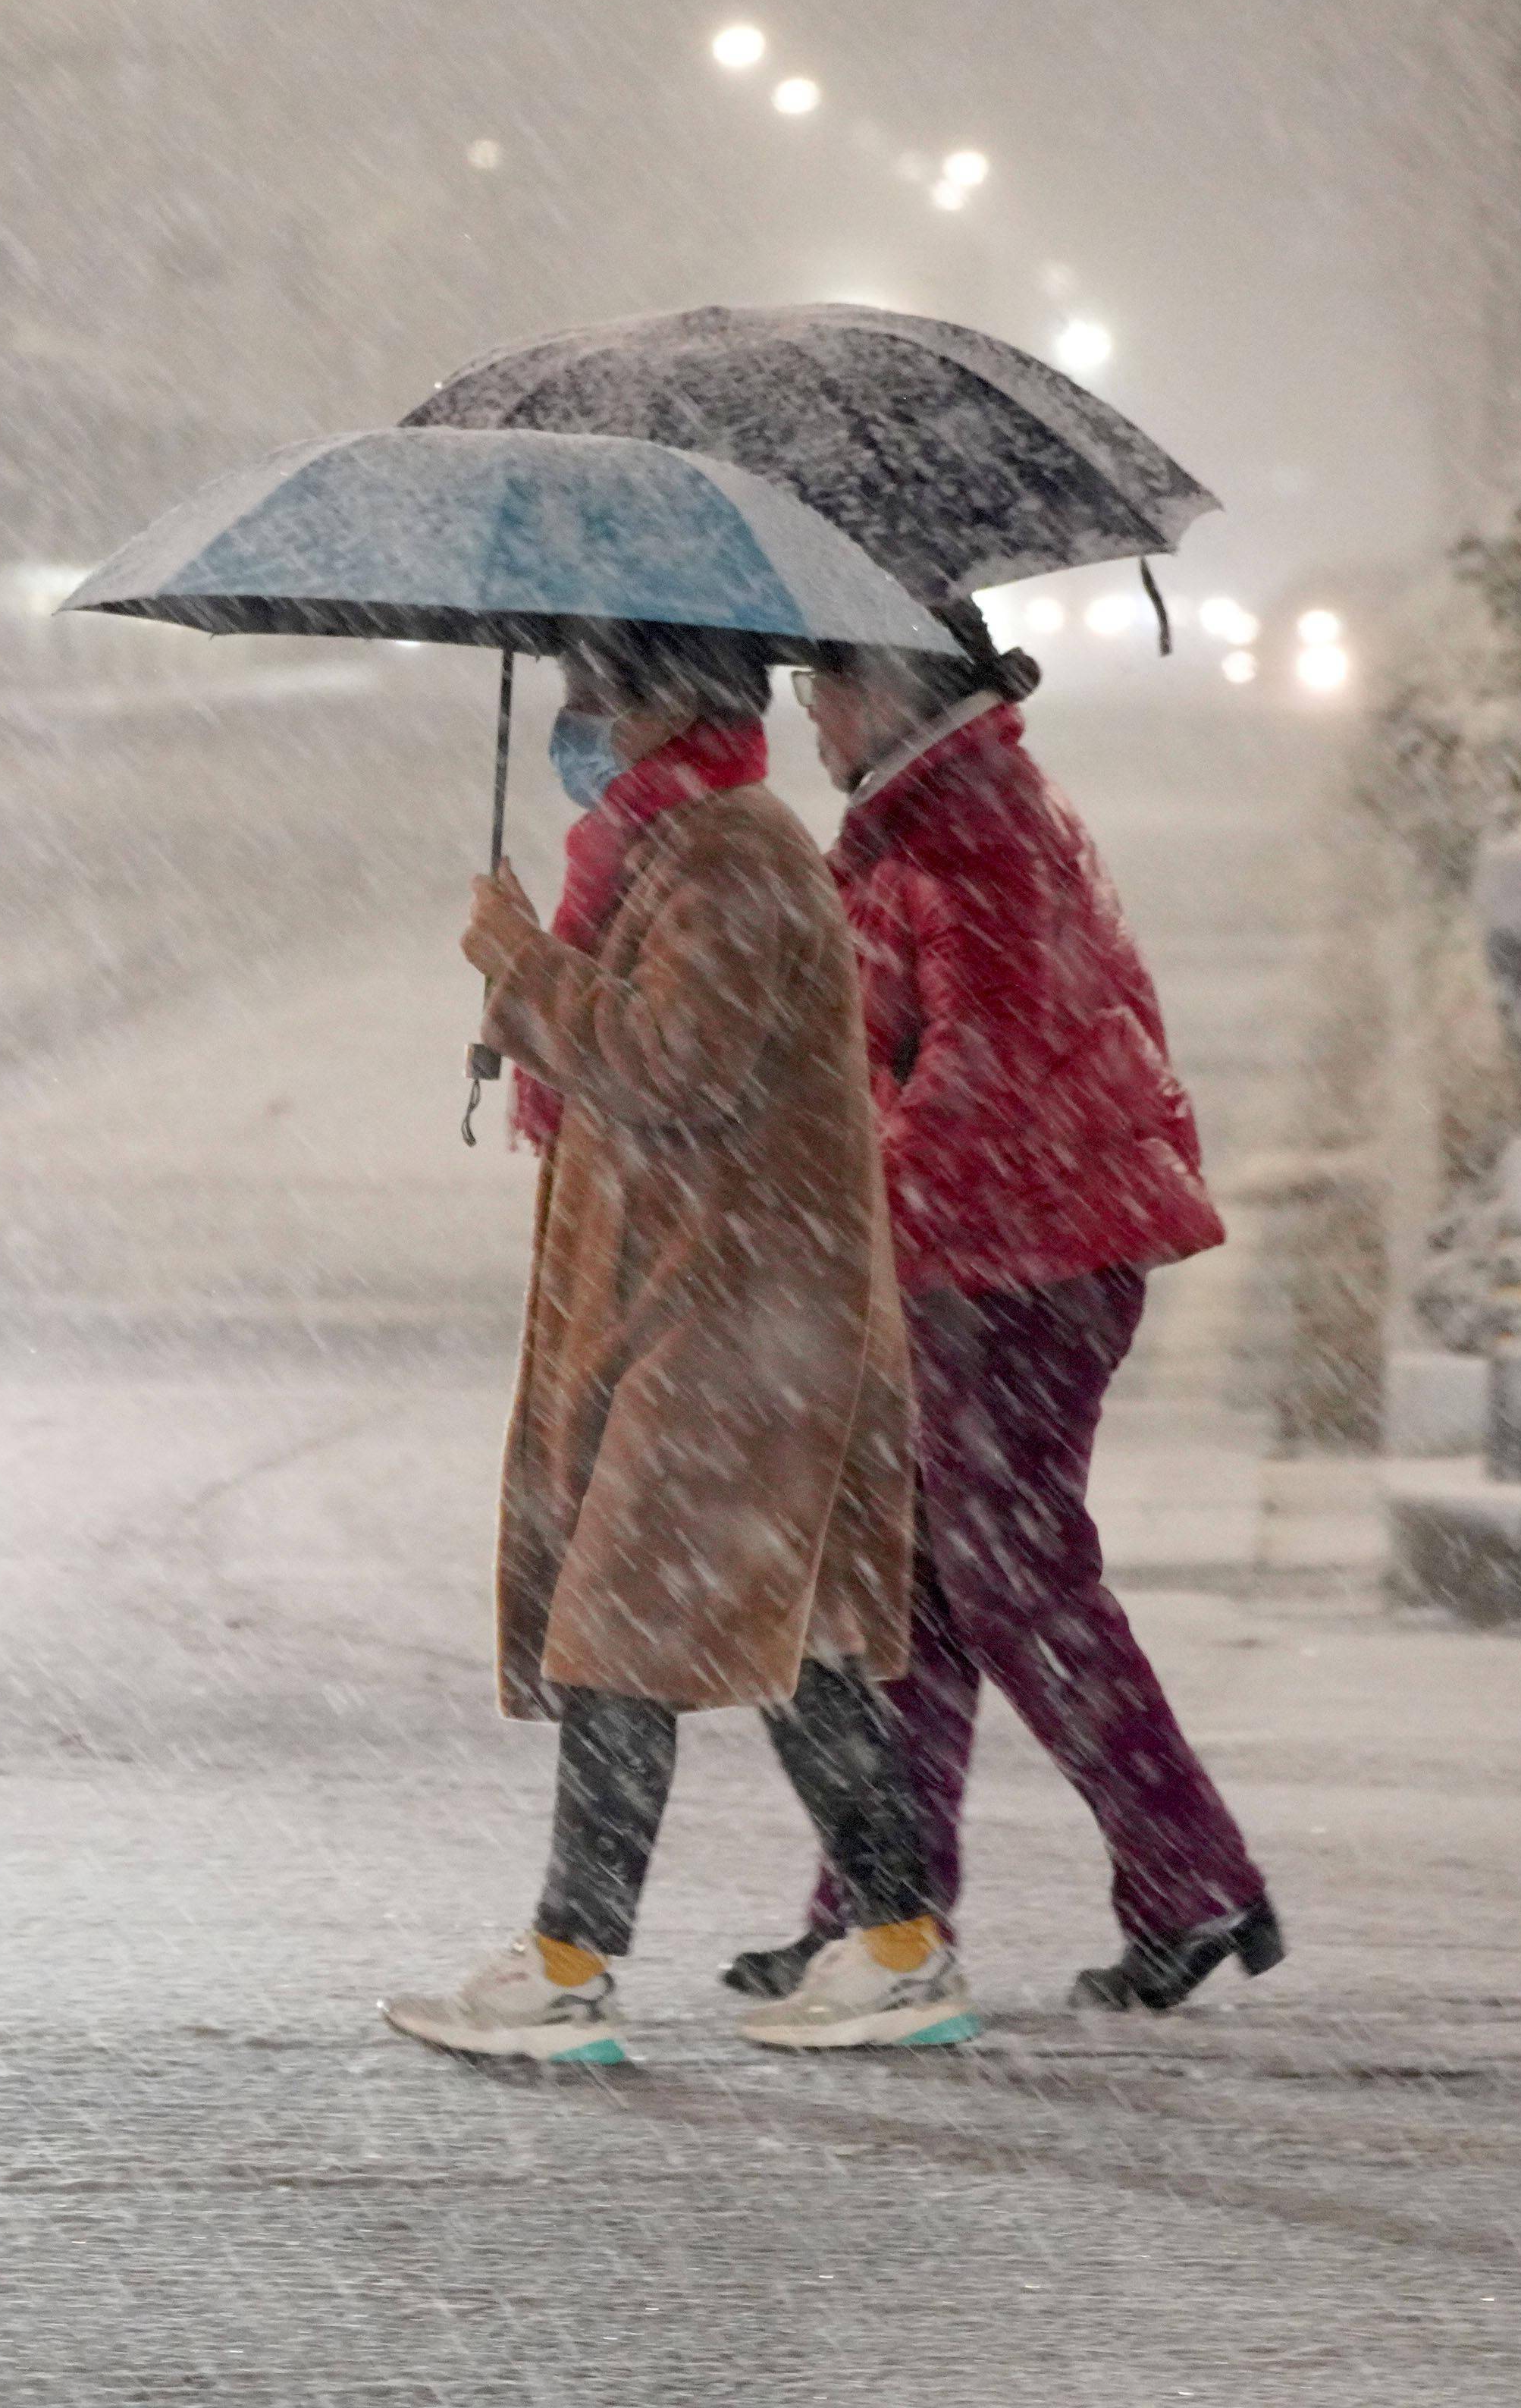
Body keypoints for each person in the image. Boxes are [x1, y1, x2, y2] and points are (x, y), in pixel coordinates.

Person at [383, 619, 969, 2064]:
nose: (577, 720)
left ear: (663, 706)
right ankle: (899, 1947)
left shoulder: (730, 857)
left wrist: (523, 969)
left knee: (618, 1639)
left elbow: (674, 1064)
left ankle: (571, 1965)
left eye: (594, 694)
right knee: (800, 1647)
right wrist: (536, 982)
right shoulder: (687, 848)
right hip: (728, 1309)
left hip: (736, 1321)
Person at [726, 617, 1284, 2015]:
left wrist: (872, 1217)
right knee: (928, 1591)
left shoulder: (966, 831)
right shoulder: (943, 814)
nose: (808, 717)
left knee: (1010, 1583)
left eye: (818, 687)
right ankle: (885, 1906)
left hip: (1017, 1264)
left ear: (883, 688)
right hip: (996, 1251)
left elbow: (984, 1065)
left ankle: (1184, 1876)